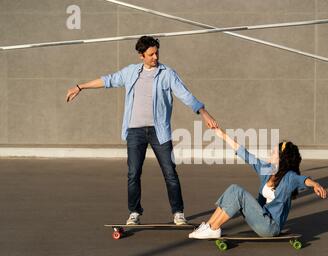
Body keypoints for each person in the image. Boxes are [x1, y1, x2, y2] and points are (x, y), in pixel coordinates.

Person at [66, 36, 218, 226]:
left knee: (170, 172)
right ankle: (134, 212)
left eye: (157, 53)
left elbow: (185, 95)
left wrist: (203, 112)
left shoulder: (167, 74)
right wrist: (80, 87)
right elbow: (108, 80)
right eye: (151, 54)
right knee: (133, 173)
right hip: (134, 131)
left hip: (159, 132)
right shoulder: (130, 72)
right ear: (141, 56)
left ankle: (178, 213)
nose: (155, 57)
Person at [189, 128, 327, 239]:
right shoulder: (268, 169)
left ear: (282, 159)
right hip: (261, 217)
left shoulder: (289, 177)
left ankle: (213, 228)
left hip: (270, 227)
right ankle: (210, 226)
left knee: (237, 191)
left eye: (273, 153)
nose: (270, 154)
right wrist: (223, 135)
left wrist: (315, 184)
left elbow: (302, 180)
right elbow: (247, 155)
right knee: (233, 189)